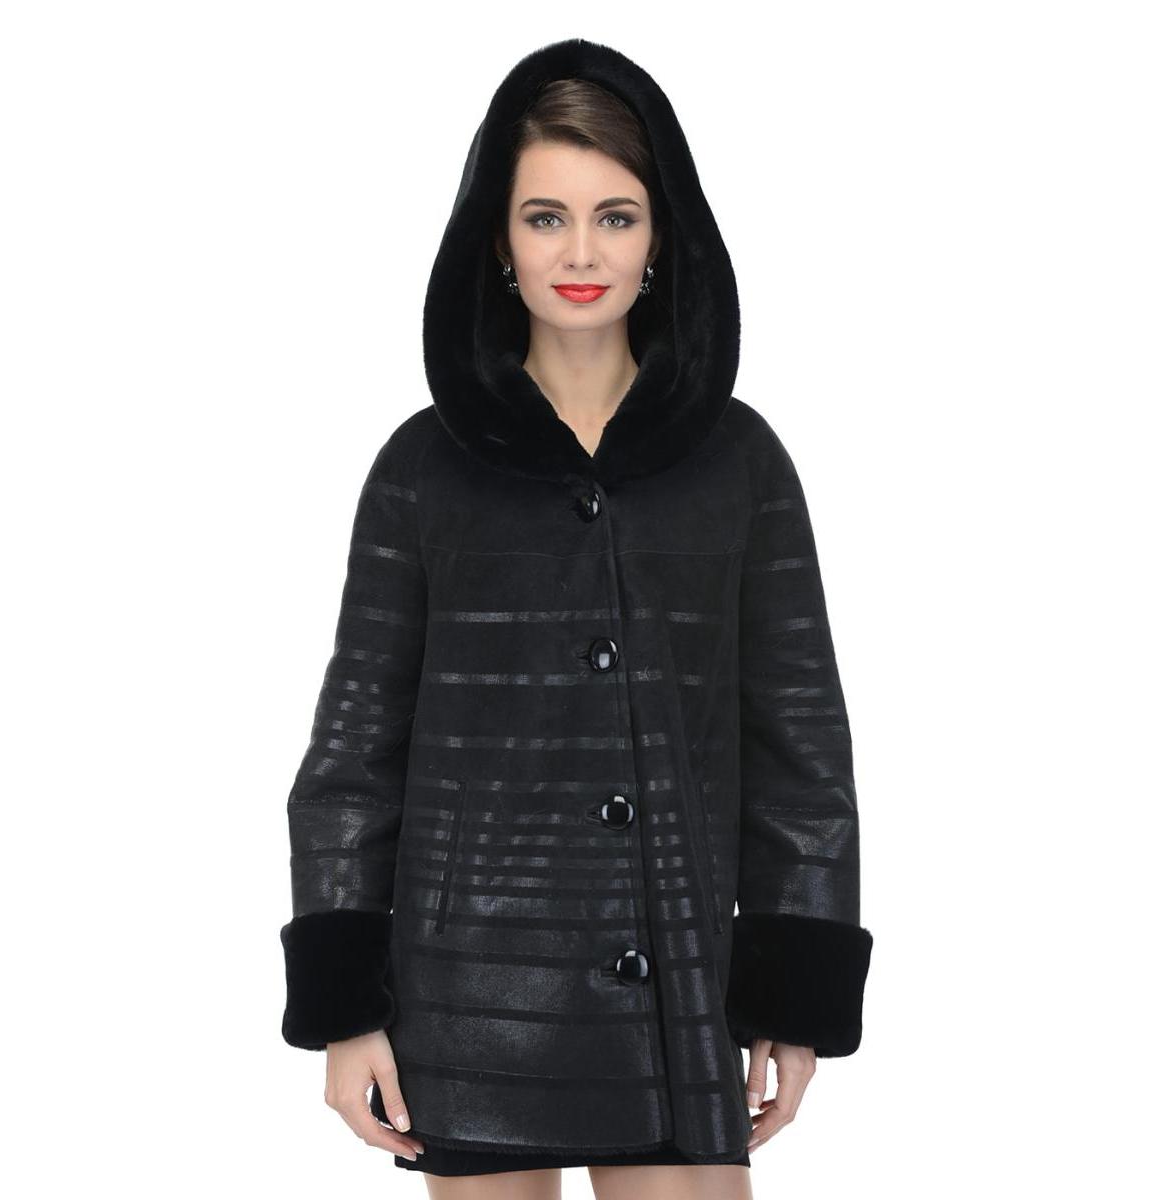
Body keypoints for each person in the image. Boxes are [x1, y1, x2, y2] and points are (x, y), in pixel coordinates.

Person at [279, 37, 873, 1194]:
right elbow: (350, 762)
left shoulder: (740, 462)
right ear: (499, 242)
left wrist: (791, 993)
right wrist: (346, 1011)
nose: (583, 252)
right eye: (546, 217)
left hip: (677, 982)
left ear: (662, 239)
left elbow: (801, 755)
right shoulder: (424, 469)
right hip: (468, 998)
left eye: (617, 216)